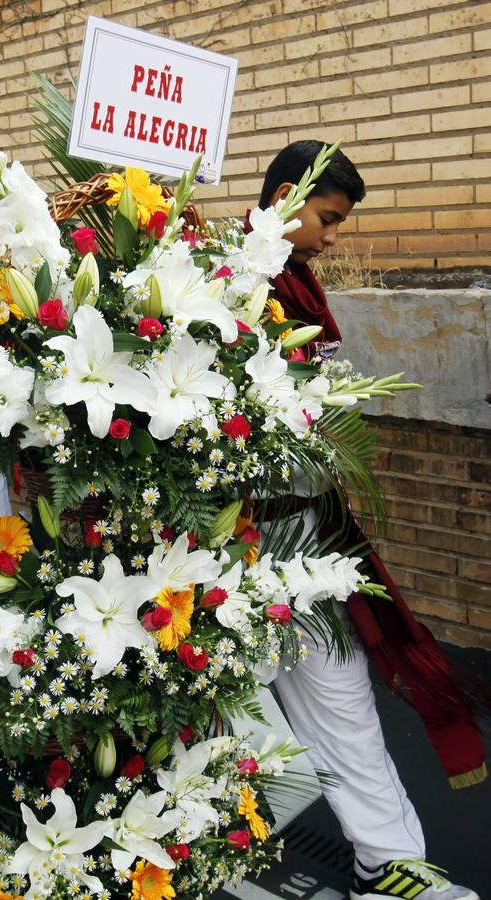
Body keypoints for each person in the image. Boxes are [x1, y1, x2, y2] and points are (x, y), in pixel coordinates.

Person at [259, 141, 481, 900]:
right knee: (206, 724)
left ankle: (384, 865)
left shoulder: (297, 284)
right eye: (328, 217)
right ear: (286, 194)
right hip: (220, 551)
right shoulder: (214, 281)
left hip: (307, 537)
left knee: (345, 697)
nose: (332, 236)